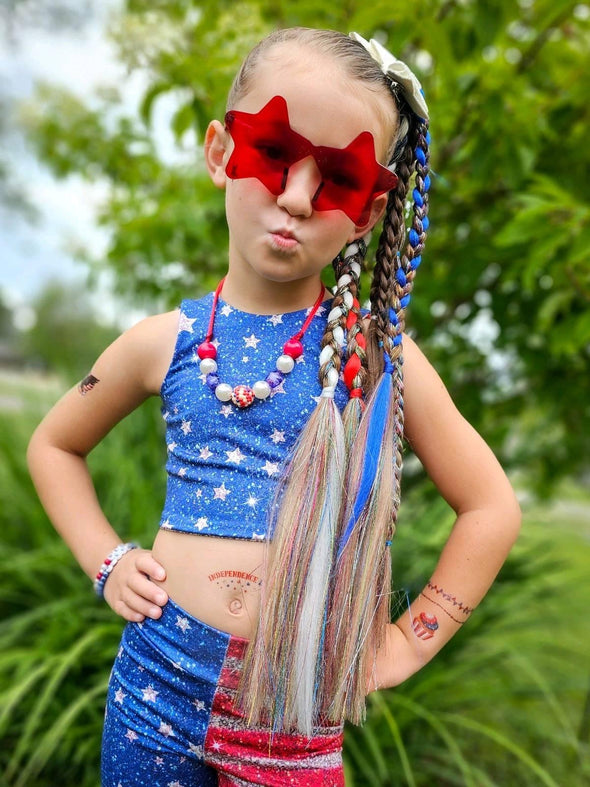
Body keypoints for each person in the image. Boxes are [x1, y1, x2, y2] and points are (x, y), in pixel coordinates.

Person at [27, 27, 521, 787]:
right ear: (222, 153)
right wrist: (107, 558)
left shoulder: (378, 356)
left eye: (339, 181)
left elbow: (490, 504)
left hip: (291, 707)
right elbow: (54, 445)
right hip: (155, 681)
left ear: (365, 215)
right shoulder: (164, 341)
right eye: (272, 155)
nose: (296, 197)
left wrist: (411, 640)